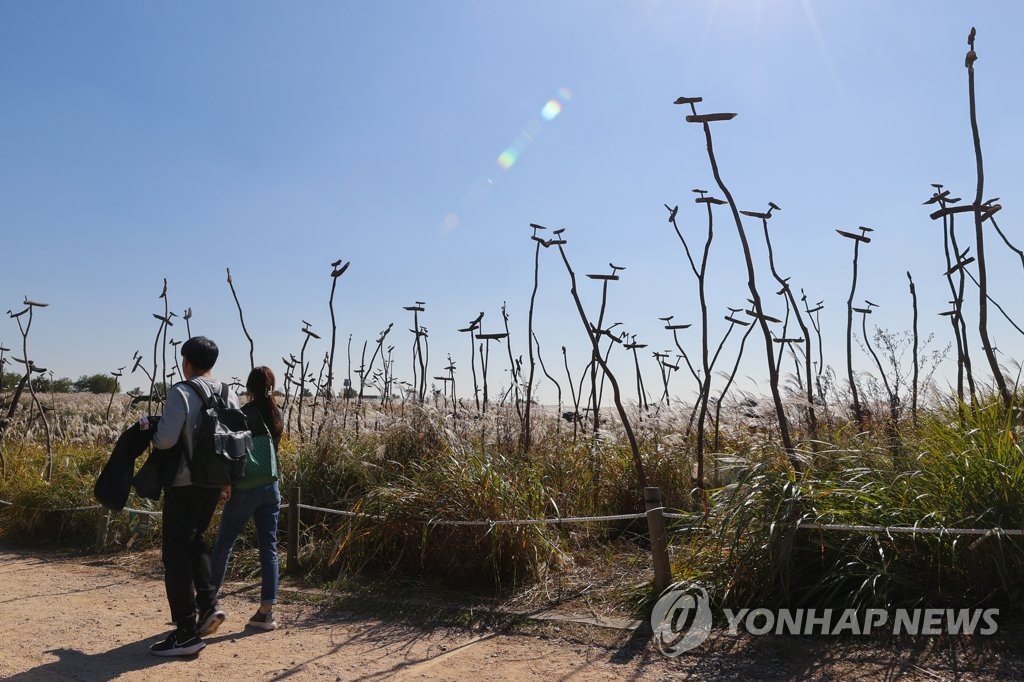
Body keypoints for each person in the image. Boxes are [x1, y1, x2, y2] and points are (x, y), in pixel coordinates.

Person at [146, 336, 233, 656]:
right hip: (214, 483)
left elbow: (166, 440)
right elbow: (235, 438)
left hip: (184, 482)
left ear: (186, 362)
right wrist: (227, 480)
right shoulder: (228, 392)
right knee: (195, 542)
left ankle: (185, 633)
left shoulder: (182, 391)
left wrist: (150, 429)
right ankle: (208, 606)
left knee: (175, 556)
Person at [210, 365, 284, 631]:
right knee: (269, 547)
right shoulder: (279, 414)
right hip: (271, 487)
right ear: (271, 387)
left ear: (249, 388)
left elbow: (232, 452)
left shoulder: (243, 415)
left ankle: (208, 604)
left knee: (223, 545)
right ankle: (266, 612)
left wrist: (225, 484)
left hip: (245, 488)